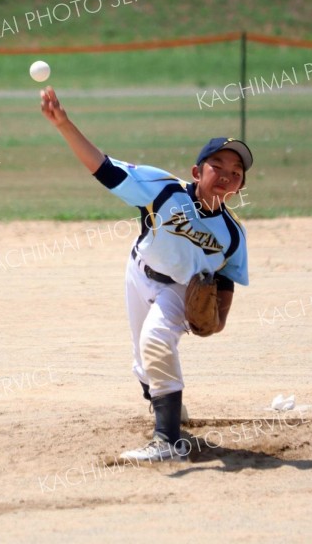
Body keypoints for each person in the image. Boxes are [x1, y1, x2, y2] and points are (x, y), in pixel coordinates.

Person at [40, 86, 253, 462]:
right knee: (143, 361)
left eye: (235, 172)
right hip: (138, 272)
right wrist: (64, 124)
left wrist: (215, 321)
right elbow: (103, 168)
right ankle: (167, 408)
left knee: (156, 340)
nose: (226, 175)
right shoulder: (164, 189)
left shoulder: (233, 234)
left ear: (240, 186)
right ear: (196, 171)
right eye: (217, 166)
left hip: (181, 290)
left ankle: (167, 441)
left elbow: (225, 280)